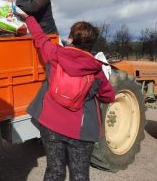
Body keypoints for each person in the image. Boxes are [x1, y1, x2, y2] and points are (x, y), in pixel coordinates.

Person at [24, 15, 115, 181]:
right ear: (91, 44)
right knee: (79, 175)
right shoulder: (96, 71)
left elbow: (39, 37)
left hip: (50, 125)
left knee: (54, 171)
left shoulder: (54, 54)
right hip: (81, 131)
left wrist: (28, 18)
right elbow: (108, 97)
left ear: (70, 39)